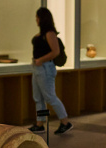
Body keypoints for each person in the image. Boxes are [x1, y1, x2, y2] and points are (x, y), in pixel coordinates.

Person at [29, 7, 72, 135]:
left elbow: (55, 52)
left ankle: (65, 121)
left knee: (50, 96)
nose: (36, 20)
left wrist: (40, 60)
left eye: (37, 17)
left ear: (42, 18)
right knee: (38, 97)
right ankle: (40, 123)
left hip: (45, 68)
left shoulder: (49, 33)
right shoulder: (42, 34)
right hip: (38, 67)